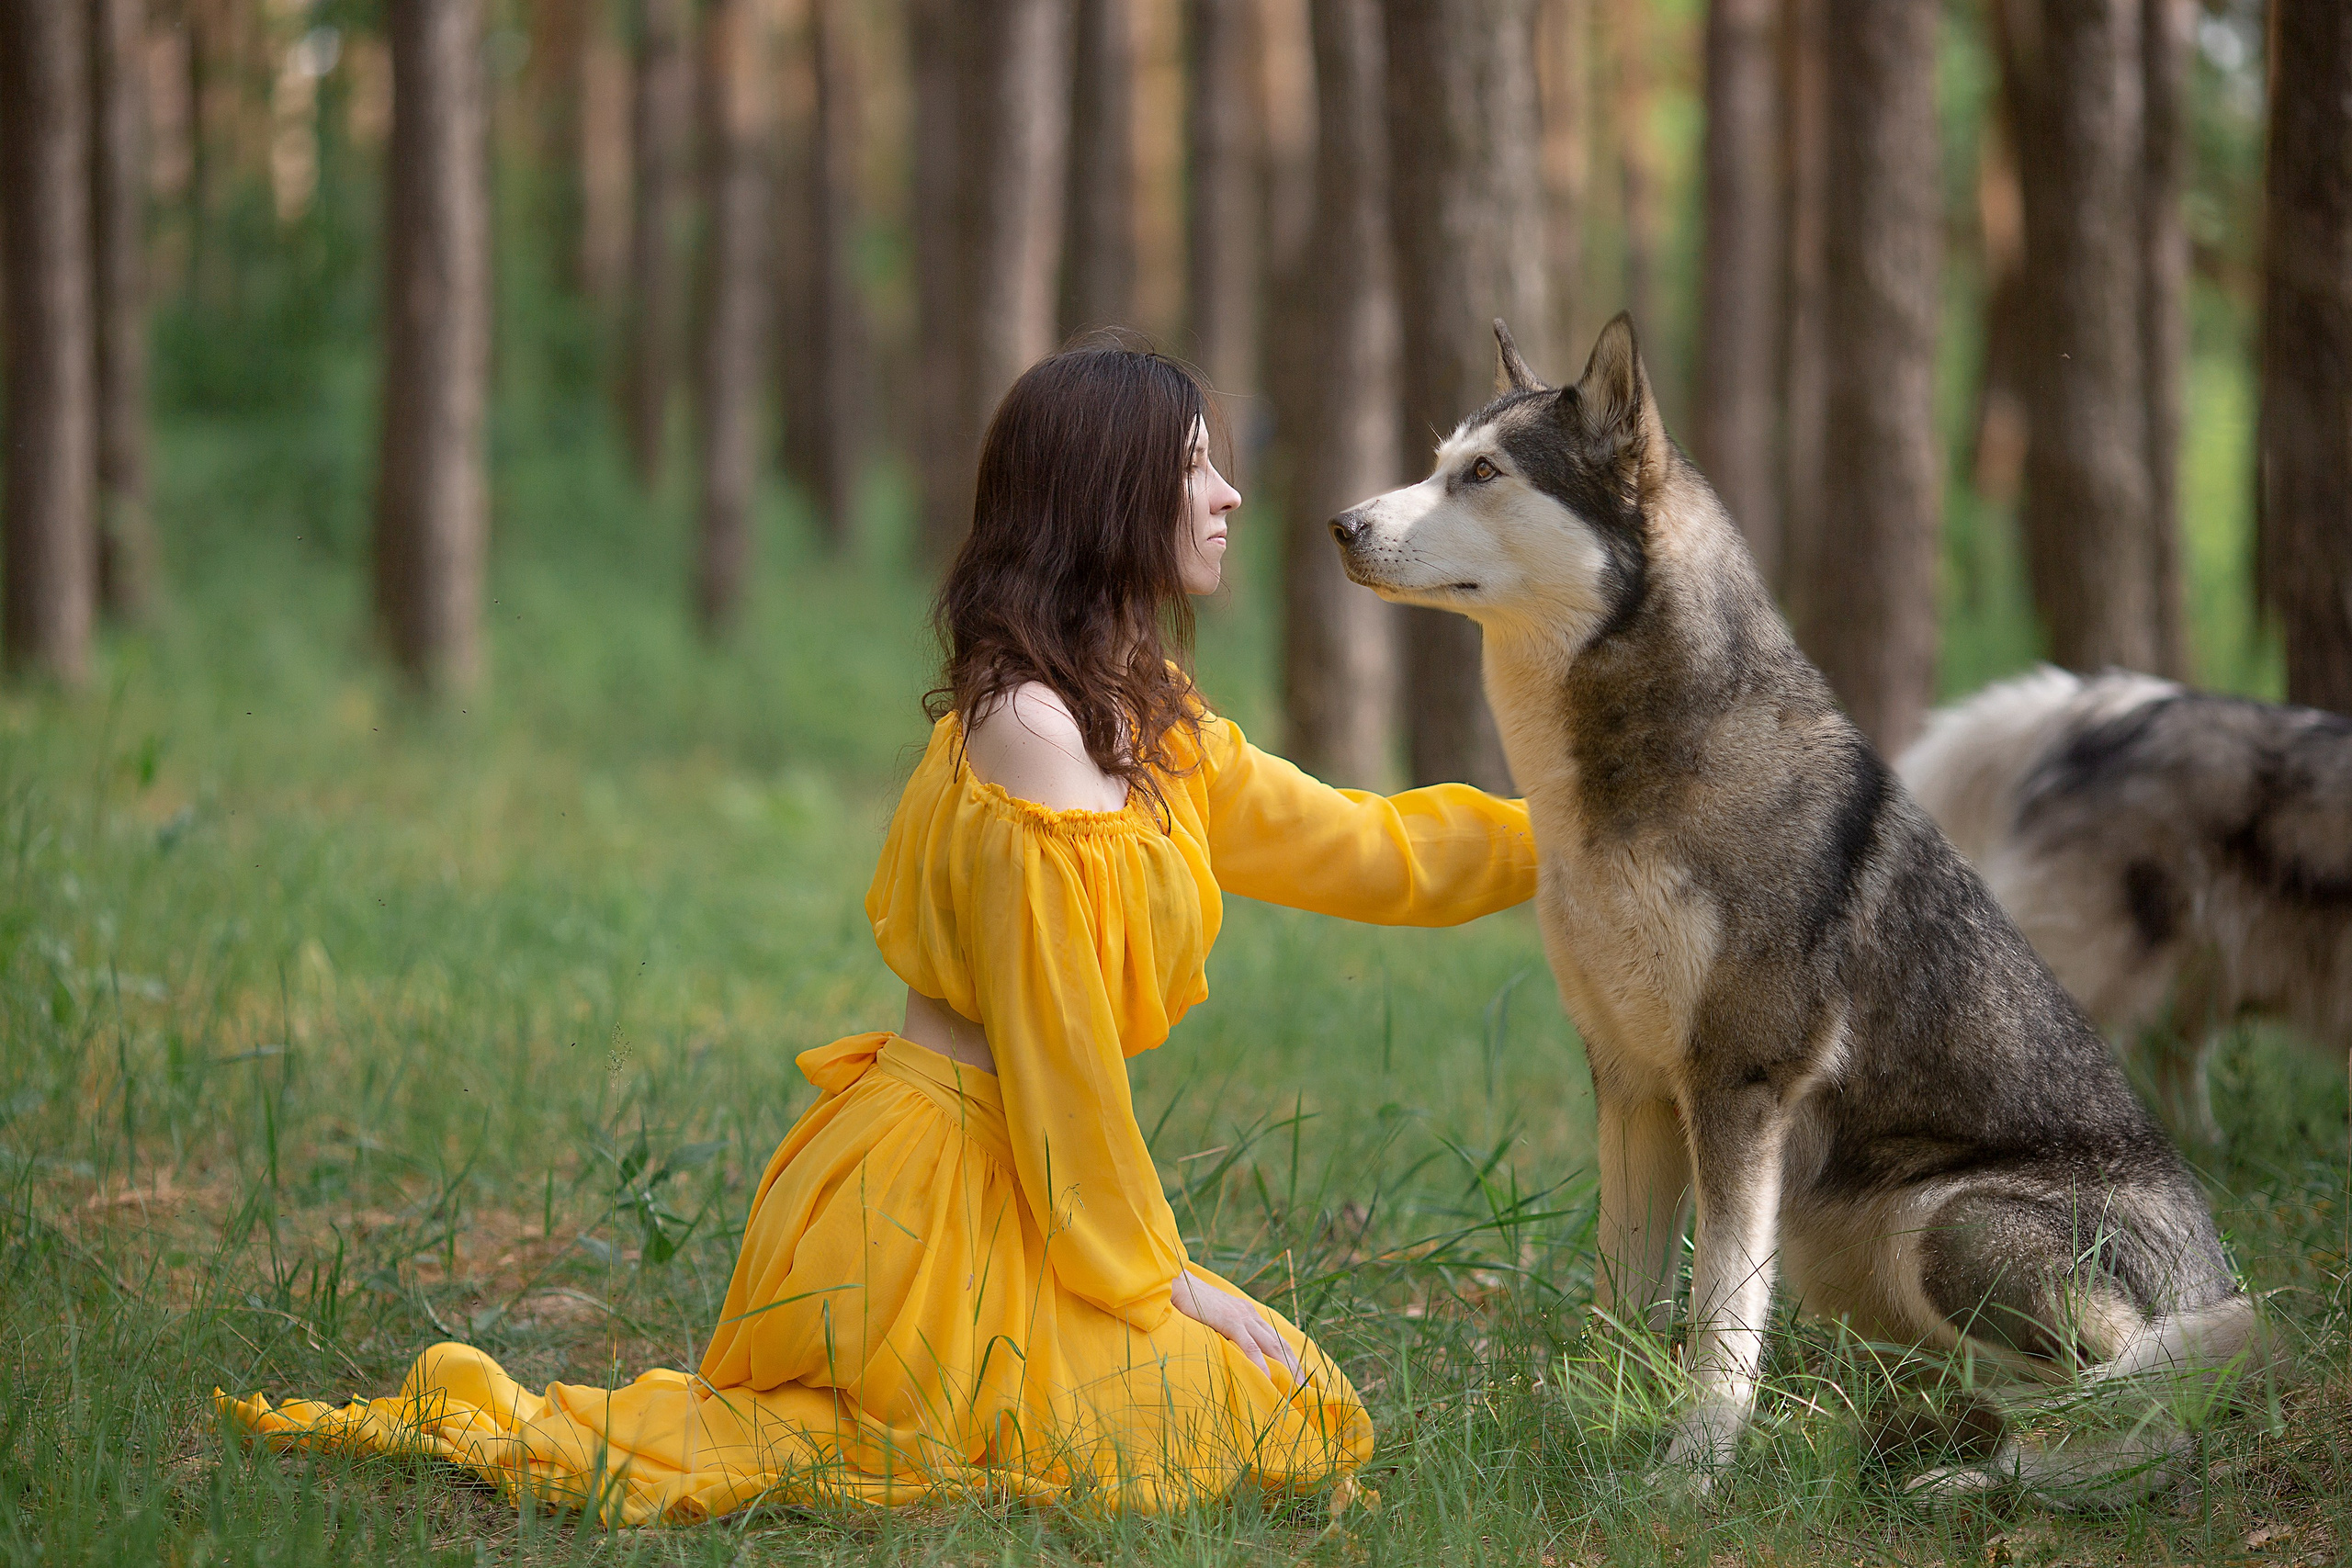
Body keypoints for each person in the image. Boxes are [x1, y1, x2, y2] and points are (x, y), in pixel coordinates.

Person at [220, 344, 1537, 1523]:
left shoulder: (1145, 712)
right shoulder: (1030, 729)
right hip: (941, 1193)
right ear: (1109, 493)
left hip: (1028, 1182)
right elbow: (1056, 1054)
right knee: (1251, 1415)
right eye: (1194, 466)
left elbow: (1357, 844)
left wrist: (1579, 838)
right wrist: (1162, 1277)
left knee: (1290, 1401)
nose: (1230, 494)